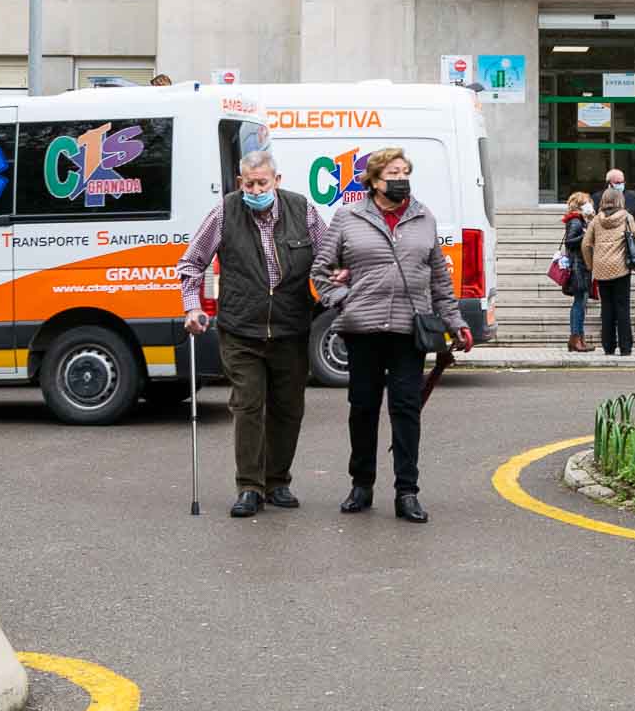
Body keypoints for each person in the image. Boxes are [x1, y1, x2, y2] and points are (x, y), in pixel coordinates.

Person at [312, 147, 472, 524]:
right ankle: (361, 484)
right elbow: (321, 270)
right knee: (363, 409)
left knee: (406, 410)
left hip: (407, 330)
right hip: (362, 331)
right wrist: (344, 299)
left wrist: (454, 322)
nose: (401, 180)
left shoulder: (423, 217)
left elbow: (438, 279)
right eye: (393, 173)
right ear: (374, 181)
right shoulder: (349, 216)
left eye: (405, 172)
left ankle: (407, 491)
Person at [177, 150, 327, 518]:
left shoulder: (302, 210)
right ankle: (249, 486)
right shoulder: (225, 213)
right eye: (249, 183)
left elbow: (327, 256)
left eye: (262, 182)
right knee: (248, 406)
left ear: (277, 180)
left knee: (288, 409)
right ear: (240, 182)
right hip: (241, 329)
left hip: (291, 329)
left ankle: (277, 481)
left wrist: (337, 285)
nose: (255, 189)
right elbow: (191, 263)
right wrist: (191, 306)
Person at [582, 188, 634, 357]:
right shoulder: (626, 217)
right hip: (621, 268)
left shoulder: (596, 220)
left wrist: (591, 265)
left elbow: (586, 244)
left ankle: (608, 346)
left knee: (607, 307)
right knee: (622, 307)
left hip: (601, 268)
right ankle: (625, 347)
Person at [560, 191, 595, 352]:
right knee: (579, 304)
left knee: (581, 303)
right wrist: (586, 234)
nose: (591, 204)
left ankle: (579, 338)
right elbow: (569, 242)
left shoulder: (580, 220)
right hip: (578, 267)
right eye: (587, 202)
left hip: (581, 266)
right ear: (581, 205)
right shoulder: (575, 220)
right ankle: (576, 339)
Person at [590, 169, 635, 245]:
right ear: (608, 183)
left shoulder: (631, 198)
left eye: (623, 182)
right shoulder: (597, 198)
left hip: (626, 245)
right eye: (618, 183)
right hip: (604, 243)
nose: (621, 185)